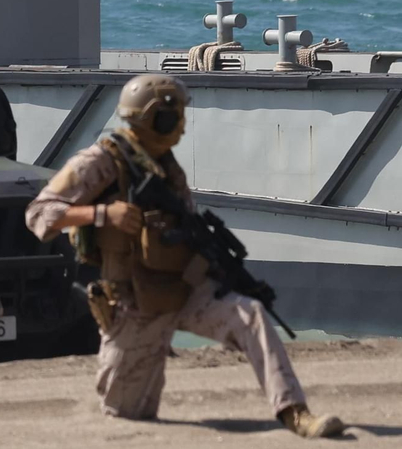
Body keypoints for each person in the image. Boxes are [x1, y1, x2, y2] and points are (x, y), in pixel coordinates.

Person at [25, 74, 343, 438]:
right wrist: (101, 214)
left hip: (183, 288)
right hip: (134, 301)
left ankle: (295, 413)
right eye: (173, 117)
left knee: (249, 314)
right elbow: (39, 215)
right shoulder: (101, 161)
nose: (181, 126)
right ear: (151, 118)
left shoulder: (165, 165)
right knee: (127, 416)